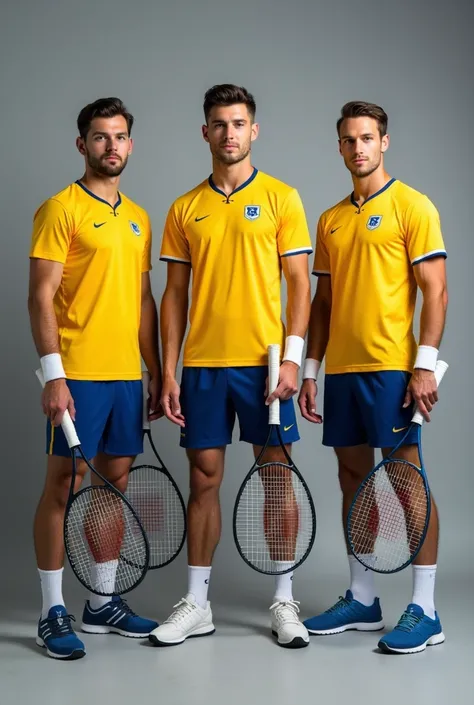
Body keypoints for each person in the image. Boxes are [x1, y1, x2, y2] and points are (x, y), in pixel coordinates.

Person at [149, 84, 313, 649]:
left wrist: (292, 359)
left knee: (276, 478)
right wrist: (168, 371)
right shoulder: (184, 208)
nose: (229, 133)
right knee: (204, 480)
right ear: (205, 132)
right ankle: (197, 604)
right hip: (202, 367)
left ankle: (284, 599)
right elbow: (173, 297)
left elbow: (299, 284)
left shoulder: (282, 198)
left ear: (254, 130)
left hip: (265, 366)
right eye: (219, 124)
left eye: (238, 123)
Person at [299, 101, 448, 655]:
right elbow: (323, 302)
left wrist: (424, 364)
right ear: (339, 147)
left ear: (384, 142)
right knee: (352, 479)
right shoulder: (331, 218)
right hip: (341, 370)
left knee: (407, 481)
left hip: (392, 369)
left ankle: (426, 609)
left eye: (367, 138)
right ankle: (363, 598)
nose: (358, 148)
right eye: (348, 140)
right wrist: (312, 369)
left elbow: (436, 291)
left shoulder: (413, 206)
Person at [28, 97, 162, 660]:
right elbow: (39, 297)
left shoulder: (138, 217)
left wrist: (155, 372)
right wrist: (53, 376)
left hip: (126, 379)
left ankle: (101, 602)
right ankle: (50, 612)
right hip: (77, 377)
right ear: (82, 144)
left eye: (120, 136)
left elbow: (141, 301)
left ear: (131, 144)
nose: (112, 146)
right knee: (63, 487)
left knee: (114, 487)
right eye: (101, 137)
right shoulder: (60, 209)